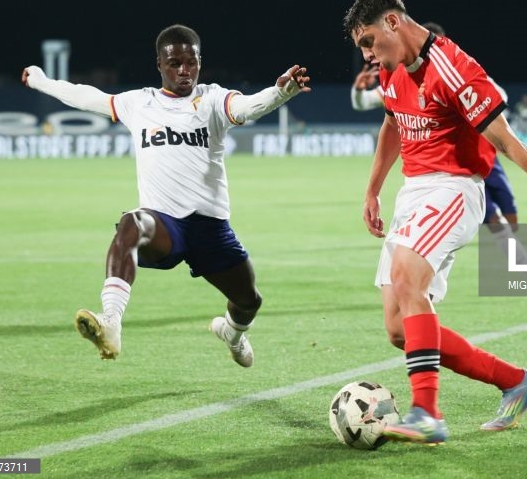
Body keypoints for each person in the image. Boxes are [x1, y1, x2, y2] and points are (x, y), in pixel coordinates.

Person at [343, 0, 527, 445]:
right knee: (400, 329)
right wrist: (372, 189)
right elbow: (391, 122)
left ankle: (426, 412)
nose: (366, 54)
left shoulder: (455, 69)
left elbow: (507, 142)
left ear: (392, 22)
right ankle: (516, 381)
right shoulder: (389, 69)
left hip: (454, 188)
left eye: (368, 41)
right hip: (413, 191)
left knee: (408, 281)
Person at [21, 24, 311, 366]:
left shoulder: (214, 99)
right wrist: (40, 80)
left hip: (210, 228)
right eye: (175, 63)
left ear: (200, 62)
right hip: (164, 225)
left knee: (249, 301)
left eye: (191, 62)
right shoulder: (138, 103)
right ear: (159, 64)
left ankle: (232, 334)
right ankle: (111, 321)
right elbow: (86, 96)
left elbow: (246, 108)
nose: (184, 70)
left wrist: (279, 93)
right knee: (130, 224)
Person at [349, 22, 527, 300]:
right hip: (453, 172)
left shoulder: (459, 72)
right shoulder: (402, 74)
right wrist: (359, 92)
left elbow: (497, 100)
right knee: (496, 222)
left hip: (489, 162)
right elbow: (368, 107)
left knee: (509, 219)